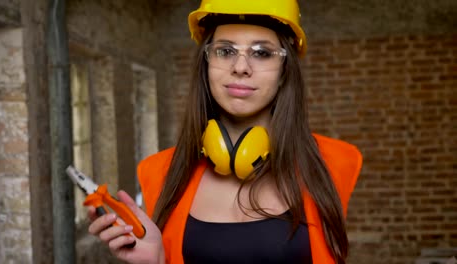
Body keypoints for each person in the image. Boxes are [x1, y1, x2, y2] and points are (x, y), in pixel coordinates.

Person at [87, 0, 363, 263]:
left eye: (262, 52)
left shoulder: (333, 162)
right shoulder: (159, 173)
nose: (240, 67)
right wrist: (156, 260)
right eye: (226, 51)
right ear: (206, 64)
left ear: (284, 71)